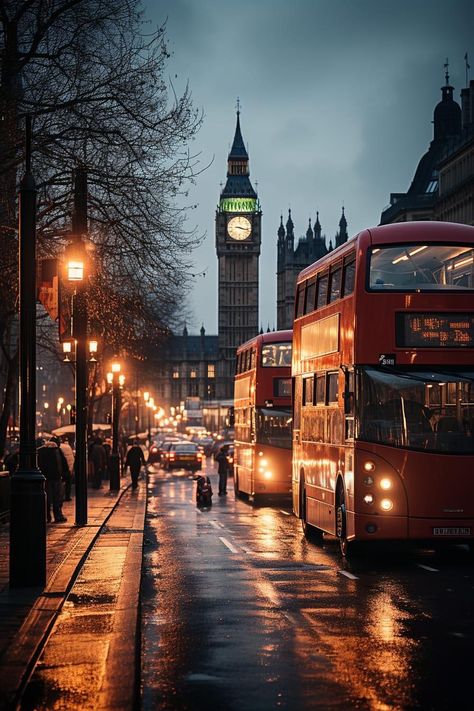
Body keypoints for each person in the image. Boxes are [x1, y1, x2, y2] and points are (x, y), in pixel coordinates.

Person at [37, 437, 67, 523]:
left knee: (47, 498)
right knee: (57, 498)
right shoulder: (57, 451)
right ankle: (58, 515)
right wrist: (66, 475)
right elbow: (63, 464)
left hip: (46, 478)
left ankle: (47, 517)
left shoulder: (41, 452)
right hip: (56, 477)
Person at [52, 436, 72, 501]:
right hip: (61, 472)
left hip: (55, 473)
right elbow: (64, 461)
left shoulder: (45, 450)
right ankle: (66, 496)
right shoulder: (59, 450)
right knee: (66, 484)